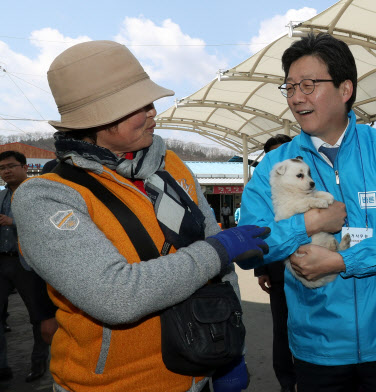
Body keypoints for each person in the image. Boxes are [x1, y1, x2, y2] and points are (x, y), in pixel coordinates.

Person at [11, 40, 269, 392]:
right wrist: (218, 250)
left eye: (150, 102)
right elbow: (116, 296)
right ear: (99, 118)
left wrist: (231, 353)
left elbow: (220, 272)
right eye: (139, 105)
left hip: (199, 372)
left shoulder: (172, 166)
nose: (153, 113)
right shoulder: (47, 196)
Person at [239, 33, 376, 392]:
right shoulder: (274, 166)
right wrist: (308, 223)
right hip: (316, 349)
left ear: (345, 89)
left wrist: (342, 262)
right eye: (290, 87)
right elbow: (247, 248)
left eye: (308, 85)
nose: (296, 98)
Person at [0, 151, 57, 383]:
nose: (6, 171)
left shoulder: (38, 194)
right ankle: (2, 367)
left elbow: (47, 224)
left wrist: (12, 222)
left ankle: (39, 362)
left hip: (28, 263)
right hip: (2, 261)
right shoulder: (2, 196)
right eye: (2, 168)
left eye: (11, 166)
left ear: (25, 167)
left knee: (38, 316)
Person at [253, 134, 296, 392]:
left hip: (312, 272)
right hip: (279, 273)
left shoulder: (308, 182)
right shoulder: (263, 190)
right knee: (282, 331)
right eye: (272, 155)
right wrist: (261, 269)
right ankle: (287, 383)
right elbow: (257, 230)